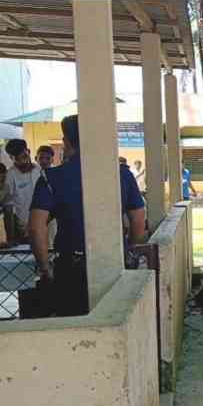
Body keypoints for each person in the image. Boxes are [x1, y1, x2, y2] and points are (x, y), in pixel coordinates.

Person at [28, 114, 146, 316]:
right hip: (115, 264)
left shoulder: (51, 177)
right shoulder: (122, 174)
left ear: (67, 142)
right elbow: (138, 220)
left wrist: (45, 268)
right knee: (116, 319)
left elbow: (35, 228)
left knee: (73, 326)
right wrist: (130, 250)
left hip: (71, 267)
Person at [3, 139, 42, 245]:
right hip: (22, 231)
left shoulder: (38, 169)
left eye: (24, 157)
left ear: (28, 151)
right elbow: (8, 209)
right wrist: (11, 237)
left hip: (41, 224)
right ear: (11, 158)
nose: (22, 162)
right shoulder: (10, 176)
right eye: (18, 159)